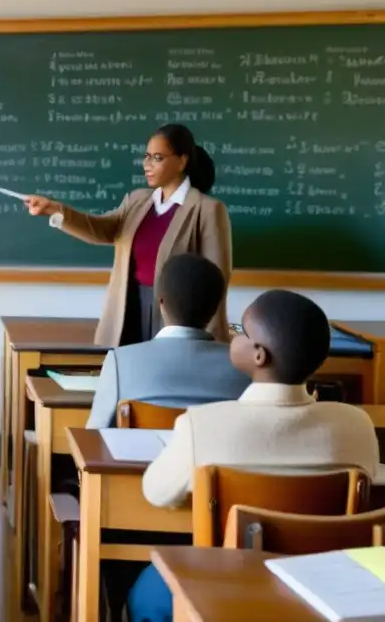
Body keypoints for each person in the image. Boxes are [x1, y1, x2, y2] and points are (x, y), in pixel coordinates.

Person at [127, 290, 379, 622]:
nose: (232, 336)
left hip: (224, 588)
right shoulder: (357, 425)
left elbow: (156, 492)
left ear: (259, 356)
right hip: (326, 590)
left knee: (146, 591)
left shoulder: (204, 423)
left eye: (241, 332)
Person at [24, 124, 231, 346]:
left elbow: (216, 278)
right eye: (146, 156)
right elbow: (103, 228)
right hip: (128, 307)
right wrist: (56, 210)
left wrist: (209, 339)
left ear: (182, 161)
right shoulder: (137, 200)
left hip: (176, 316)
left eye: (157, 158)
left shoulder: (206, 209)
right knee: (129, 373)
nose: (147, 165)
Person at [85, 253, 249, 429]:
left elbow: (96, 434)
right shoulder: (243, 365)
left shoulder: (120, 361)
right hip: (212, 457)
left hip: (146, 457)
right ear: (216, 307)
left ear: (160, 302)